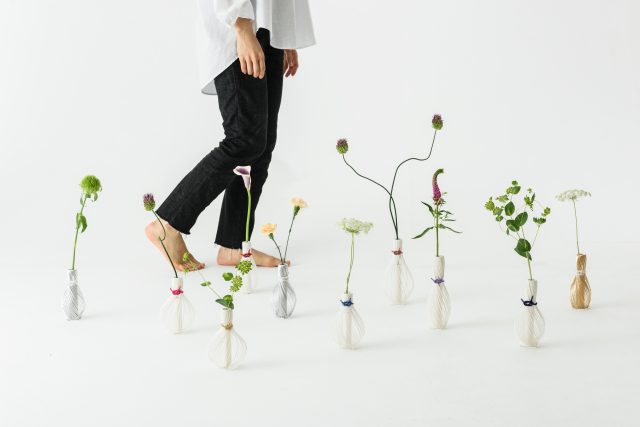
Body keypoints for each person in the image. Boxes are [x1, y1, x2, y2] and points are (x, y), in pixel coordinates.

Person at [145, 0, 315, 270]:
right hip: (236, 27)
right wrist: (241, 27)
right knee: (244, 140)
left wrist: (284, 33)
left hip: (268, 26)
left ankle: (233, 245)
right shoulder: (239, 26)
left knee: (261, 144)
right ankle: (167, 224)